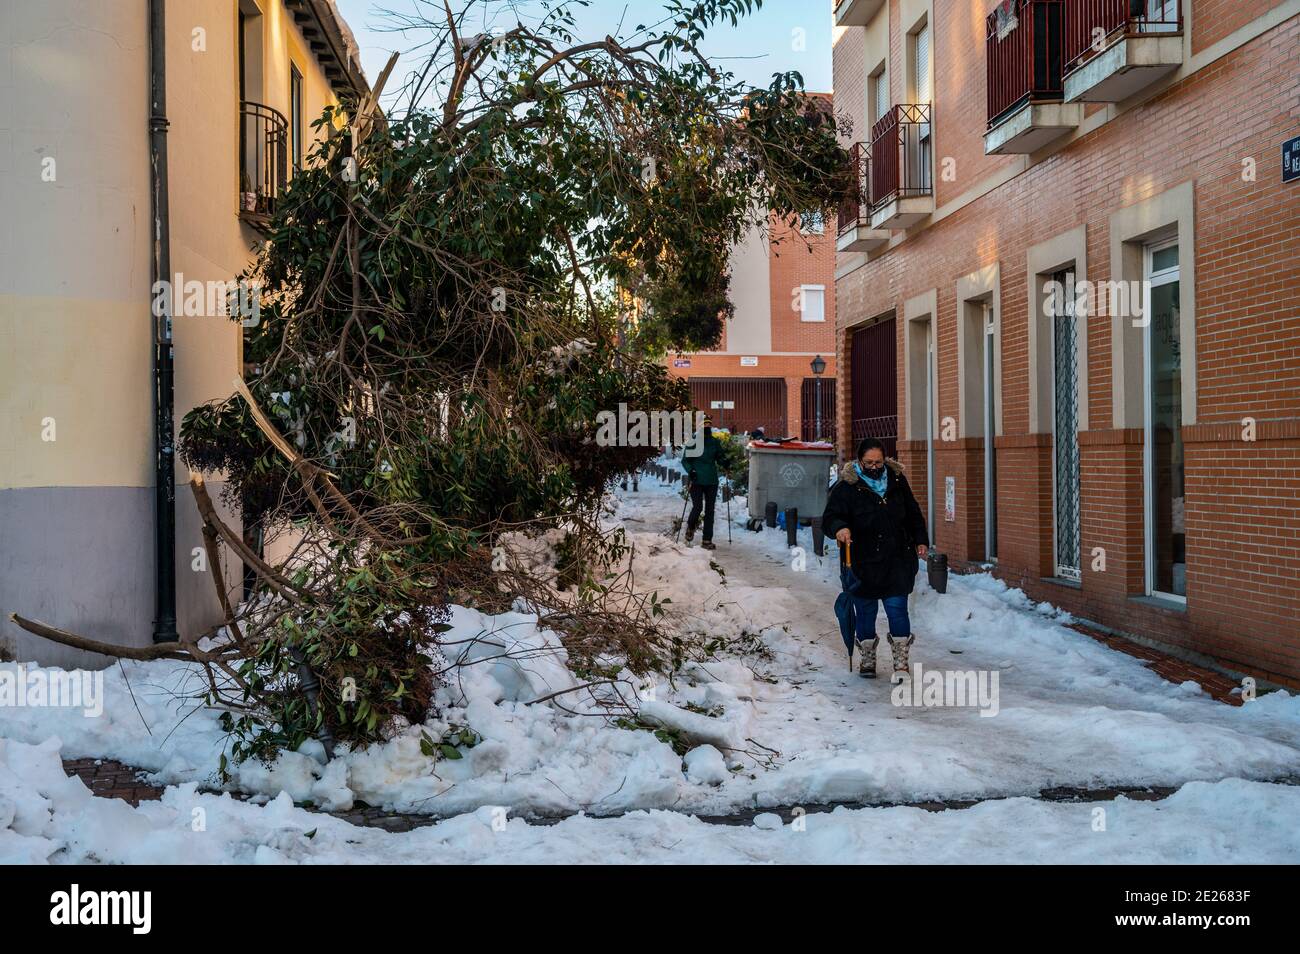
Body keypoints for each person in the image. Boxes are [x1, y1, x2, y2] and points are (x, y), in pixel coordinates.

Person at [822, 437, 929, 679]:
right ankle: (867, 656)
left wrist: (921, 539)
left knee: (897, 609)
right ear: (859, 460)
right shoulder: (847, 486)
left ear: (885, 459)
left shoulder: (897, 481)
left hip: (897, 558)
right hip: (862, 561)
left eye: (878, 462)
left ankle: (901, 661)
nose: (873, 466)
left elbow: (913, 513)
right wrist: (839, 528)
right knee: (866, 611)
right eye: (868, 462)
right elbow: (830, 517)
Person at [682, 417, 723, 550]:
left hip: (711, 480)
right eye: (704, 427)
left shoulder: (715, 443)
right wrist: (691, 471)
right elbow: (685, 460)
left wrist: (726, 462)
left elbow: (720, 457)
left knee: (710, 510)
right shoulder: (693, 442)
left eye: (708, 427)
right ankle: (691, 527)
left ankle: (707, 540)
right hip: (697, 480)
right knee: (698, 507)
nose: (707, 429)